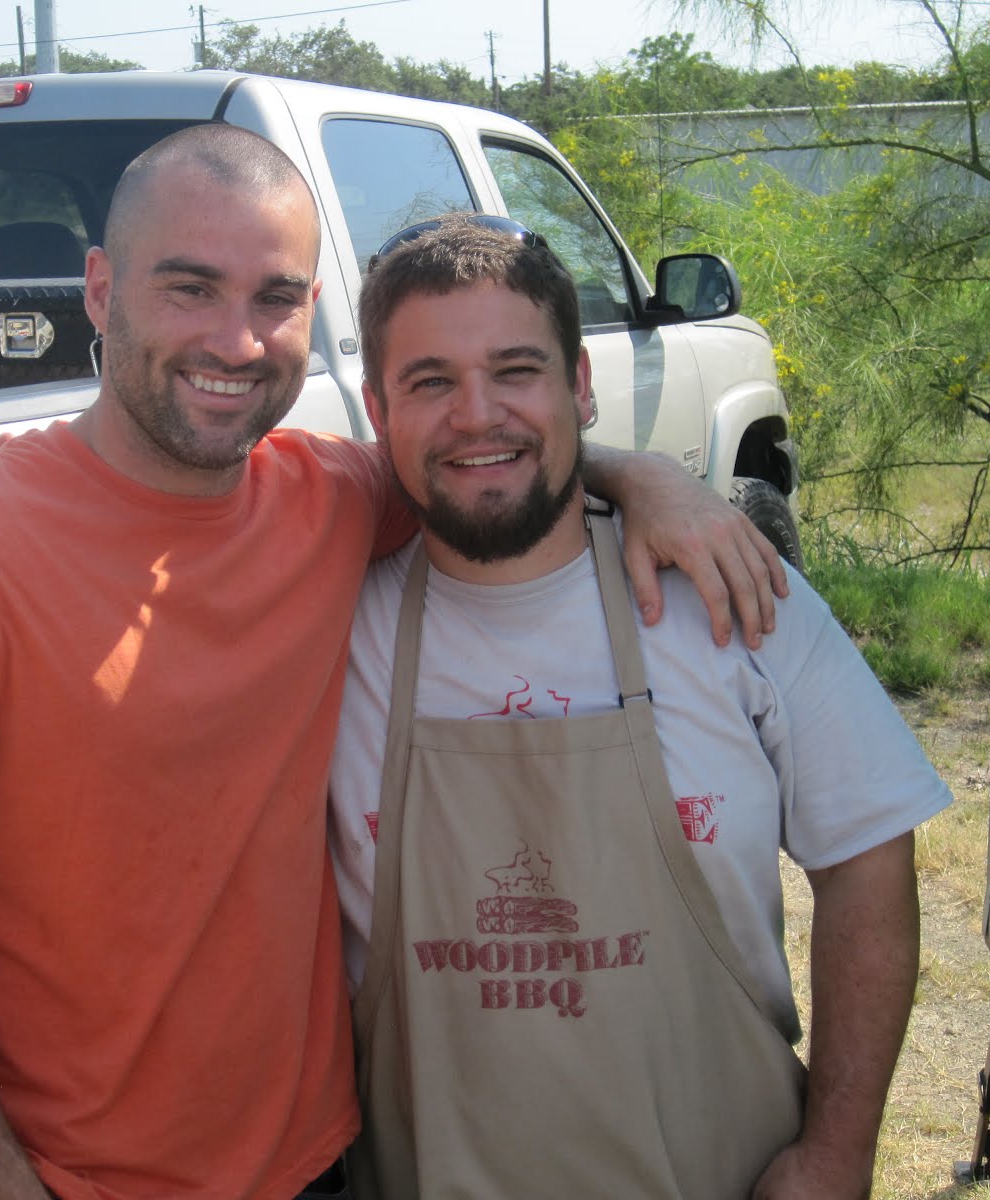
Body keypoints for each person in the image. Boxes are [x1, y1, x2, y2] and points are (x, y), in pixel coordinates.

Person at [0, 125, 787, 1200]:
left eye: (273, 297)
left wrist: (638, 473)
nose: (236, 338)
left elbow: (473, 448)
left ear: (311, 313)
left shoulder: (326, 501)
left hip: (316, 1160)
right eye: (189, 289)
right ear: (99, 290)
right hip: (66, 1180)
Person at [326, 214, 952, 1199]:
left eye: (516, 371)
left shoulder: (728, 591)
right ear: (376, 407)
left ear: (579, 384)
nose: (475, 414)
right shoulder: (326, 628)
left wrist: (836, 1153)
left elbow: (868, 852)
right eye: (430, 382)